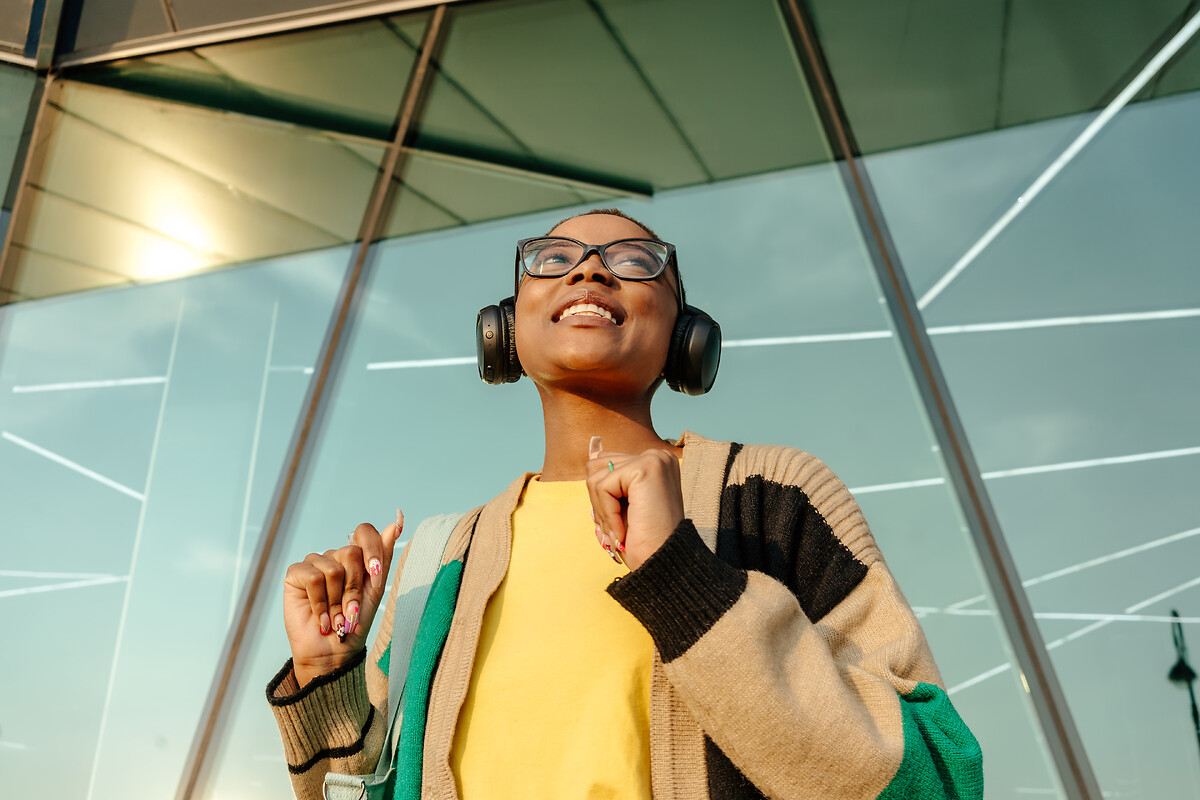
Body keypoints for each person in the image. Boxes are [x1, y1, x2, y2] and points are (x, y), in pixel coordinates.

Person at [267, 209, 984, 799]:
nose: (588, 269)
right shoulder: (438, 559)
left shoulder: (771, 497)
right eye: (552, 258)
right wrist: (327, 677)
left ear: (685, 332)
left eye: (636, 259)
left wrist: (687, 585)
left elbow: (937, 776)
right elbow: (359, 789)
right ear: (506, 326)